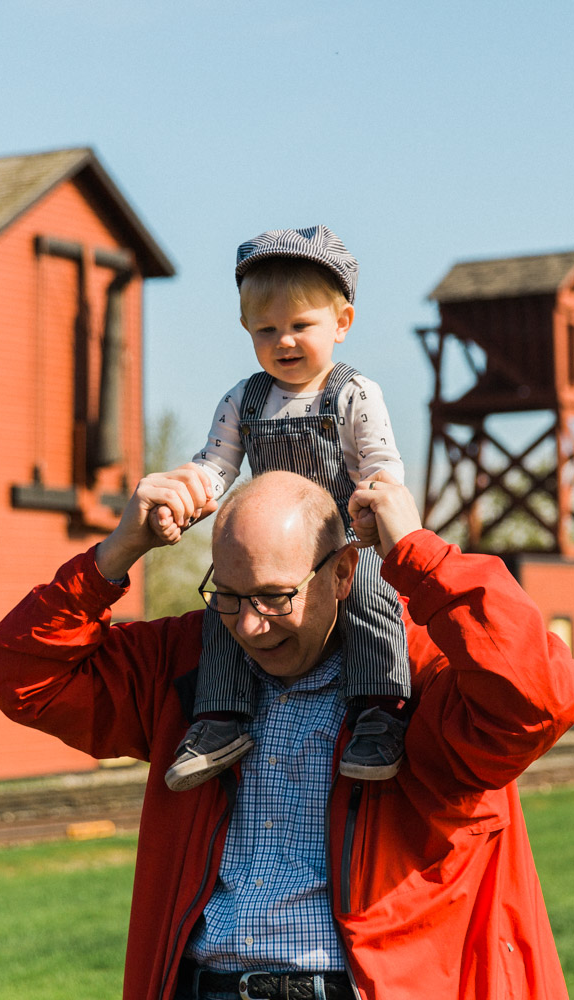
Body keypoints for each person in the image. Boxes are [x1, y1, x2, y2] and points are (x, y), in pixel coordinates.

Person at [0, 466, 574, 1000]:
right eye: (229, 595)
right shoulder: (188, 666)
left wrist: (421, 557)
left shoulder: (420, 676)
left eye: (274, 597)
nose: (248, 625)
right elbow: (18, 674)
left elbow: (538, 697)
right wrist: (114, 553)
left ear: (344, 572)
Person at [152, 225, 412, 792]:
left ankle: (378, 709)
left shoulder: (353, 394)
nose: (284, 342)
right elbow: (217, 463)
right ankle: (221, 716)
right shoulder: (241, 399)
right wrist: (191, 489)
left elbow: (380, 463)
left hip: (342, 537)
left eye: (301, 326)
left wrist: (377, 502)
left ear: (341, 323)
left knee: (371, 595)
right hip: (268, 547)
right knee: (228, 605)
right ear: (246, 329)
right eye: (267, 330)